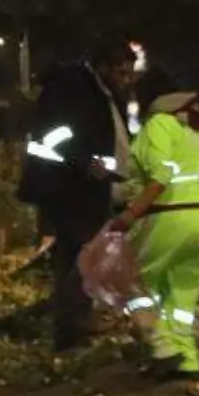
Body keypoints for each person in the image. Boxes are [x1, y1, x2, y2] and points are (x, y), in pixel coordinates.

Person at [17, 41, 139, 350]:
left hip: (89, 191)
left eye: (130, 74)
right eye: (122, 73)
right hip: (71, 192)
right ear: (103, 68)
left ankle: (75, 325)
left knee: (84, 260)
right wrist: (85, 162)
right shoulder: (73, 91)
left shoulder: (102, 95)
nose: (127, 80)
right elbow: (52, 137)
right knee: (81, 261)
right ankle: (70, 331)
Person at [110, 71, 199, 381]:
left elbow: (161, 177)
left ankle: (160, 347)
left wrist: (130, 214)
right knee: (182, 293)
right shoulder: (198, 128)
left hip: (171, 214)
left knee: (130, 279)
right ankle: (186, 361)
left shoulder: (159, 124)